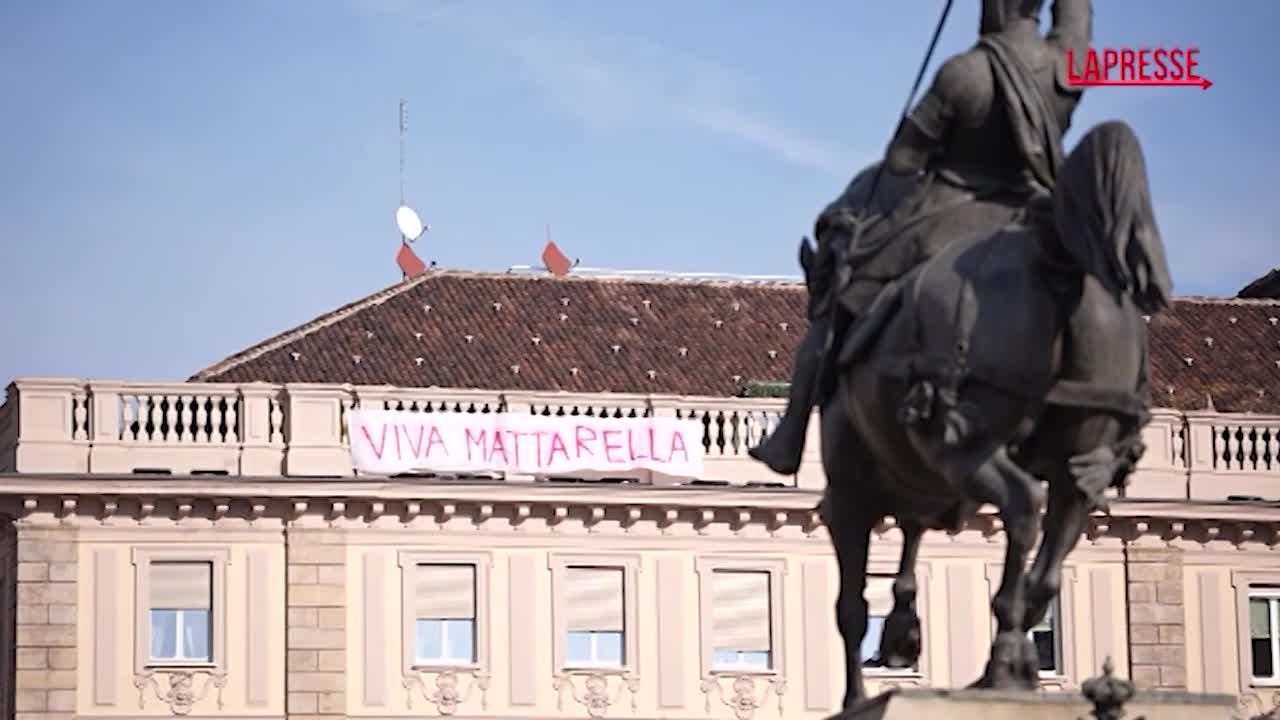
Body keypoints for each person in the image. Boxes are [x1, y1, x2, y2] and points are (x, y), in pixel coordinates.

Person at [750, 0, 1093, 476]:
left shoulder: (965, 74)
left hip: (953, 216)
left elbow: (903, 161)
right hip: (1035, 214)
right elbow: (1077, 14)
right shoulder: (1070, 63)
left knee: (844, 291)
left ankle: (791, 433)